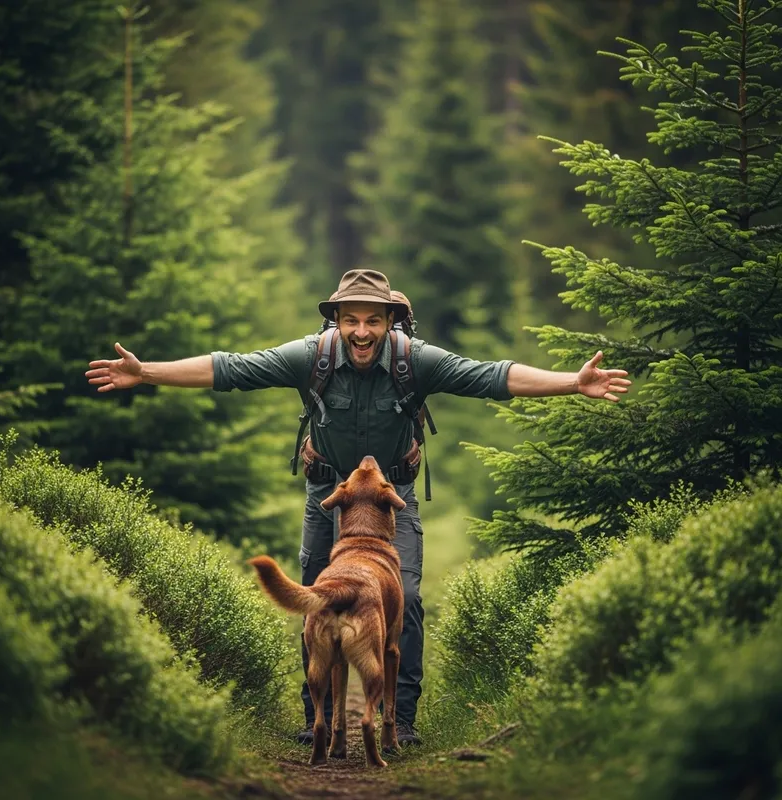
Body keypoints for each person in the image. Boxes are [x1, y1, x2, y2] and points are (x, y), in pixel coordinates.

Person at [85, 268, 631, 747]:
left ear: (390, 321)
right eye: (352, 321)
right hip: (326, 500)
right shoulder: (311, 357)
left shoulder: (415, 361)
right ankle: (316, 719)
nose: (362, 332)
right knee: (314, 597)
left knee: (409, 598)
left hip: (392, 502)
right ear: (337, 321)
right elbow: (232, 369)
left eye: (373, 321)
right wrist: (147, 371)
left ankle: (403, 719)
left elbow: (492, 376)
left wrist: (572, 383)